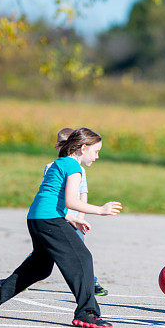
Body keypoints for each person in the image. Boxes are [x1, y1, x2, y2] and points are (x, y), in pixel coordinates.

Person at [0, 127, 121, 328]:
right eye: (96, 151)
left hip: (37, 218)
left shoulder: (58, 163)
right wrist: (101, 210)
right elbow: (70, 200)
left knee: (40, 267)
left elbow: (52, 198)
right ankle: (87, 312)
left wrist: (71, 219)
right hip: (49, 220)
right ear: (82, 148)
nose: (97, 157)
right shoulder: (73, 167)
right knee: (82, 259)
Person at [45, 127, 108, 298]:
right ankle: (87, 299)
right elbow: (55, 198)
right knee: (55, 256)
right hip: (58, 216)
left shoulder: (77, 168)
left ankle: (91, 282)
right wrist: (101, 210)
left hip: (71, 218)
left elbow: (82, 194)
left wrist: (79, 217)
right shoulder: (57, 166)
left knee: (79, 253)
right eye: (60, 144)